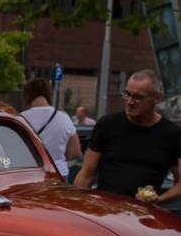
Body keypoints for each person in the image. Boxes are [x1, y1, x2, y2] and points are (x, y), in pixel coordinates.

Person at [74, 69, 181, 203]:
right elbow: (86, 175)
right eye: (126, 94)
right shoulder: (107, 125)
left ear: (157, 98)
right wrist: (78, 206)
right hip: (105, 214)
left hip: (145, 218)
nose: (129, 102)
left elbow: (180, 184)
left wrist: (158, 200)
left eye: (137, 97)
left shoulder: (173, 134)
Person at [18, 76, 80, 178]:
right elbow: (75, 152)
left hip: (30, 174)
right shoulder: (64, 118)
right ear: (48, 94)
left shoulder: (21, 118)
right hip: (59, 173)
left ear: (26, 95)